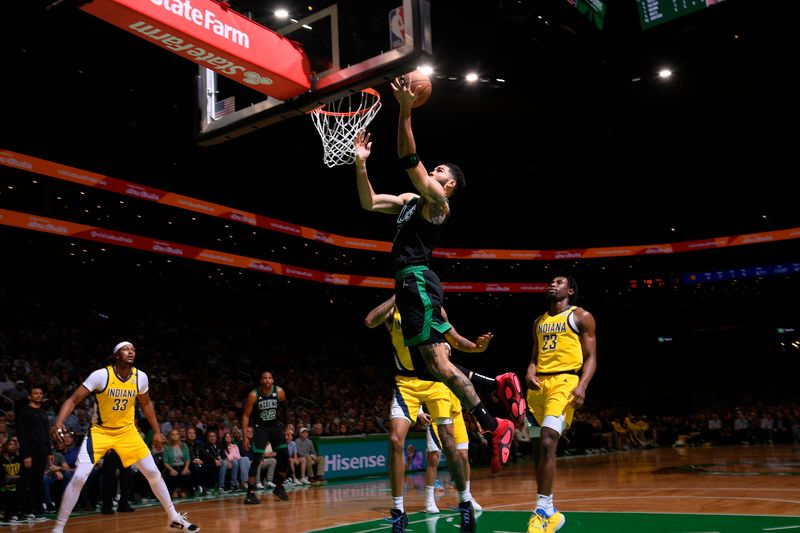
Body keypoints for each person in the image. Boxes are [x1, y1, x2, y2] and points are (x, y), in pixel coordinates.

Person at [354, 80, 515, 477]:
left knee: (438, 367)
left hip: (418, 280)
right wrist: (360, 163)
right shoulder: (411, 203)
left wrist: (406, 109)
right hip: (411, 286)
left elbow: (409, 158)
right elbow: (369, 201)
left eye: (439, 170)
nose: (434, 169)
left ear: (450, 185)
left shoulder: (438, 204)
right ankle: (496, 410)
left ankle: (495, 419)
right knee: (438, 366)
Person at [366, 298, 489, 533]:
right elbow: (370, 320)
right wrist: (396, 294)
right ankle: (399, 512)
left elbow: (454, 339)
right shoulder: (394, 309)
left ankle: (465, 503)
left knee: (449, 442)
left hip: (435, 381)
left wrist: (476, 347)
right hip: (406, 383)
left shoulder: (435, 308)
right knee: (394, 439)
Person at [49, 341, 199, 533]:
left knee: (153, 473)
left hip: (127, 432)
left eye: (133, 349)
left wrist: (157, 431)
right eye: (126, 349)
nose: (131, 352)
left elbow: (146, 404)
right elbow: (73, 399)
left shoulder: (140, 377)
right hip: (100, 432)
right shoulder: (101, 375)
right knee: (78, 477)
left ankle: (174, 518)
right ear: (116, 355)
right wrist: (59, 422)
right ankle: (59, 528)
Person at [525, 276, 597, 533]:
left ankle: (541, 509)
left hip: (565, 382)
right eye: (551, 282)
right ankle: (551, 511)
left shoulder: (581, 317)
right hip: (537, 388)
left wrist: (582, 385)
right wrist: (530, 371)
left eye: (559, 281)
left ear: (571, 290)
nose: (552, 284)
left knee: (547, 440)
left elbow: (591, 358)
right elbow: (534, 356)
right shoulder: (538, 322)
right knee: (537, 450)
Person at [240, 371, 290, 503]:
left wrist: (287, 428)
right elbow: (245, 415)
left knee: (284, 455)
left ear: (272, 380)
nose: (267, 380)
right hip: (261, 428)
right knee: (256, 459)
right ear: (261, 381)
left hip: (275, 427)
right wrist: (245, 436)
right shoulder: (254, 395)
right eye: (265, 378)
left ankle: (279, 486)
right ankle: (250, 493)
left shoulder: (279, 392)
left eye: (270, 378)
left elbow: (285, 410)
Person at [15, 385, 51, 521]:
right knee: (25, 482)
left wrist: (50, 452)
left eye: (40, 393)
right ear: (29, 396)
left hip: (42, 452)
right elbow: (21, 435)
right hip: (30, 452)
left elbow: (46, 433)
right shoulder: (24, 412)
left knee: (37, 482)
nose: (39, 395)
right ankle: (18, 511)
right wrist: (26, 455)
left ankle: (32, 510)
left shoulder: (42, 412)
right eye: (35, 393)